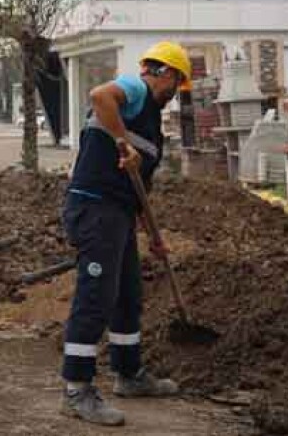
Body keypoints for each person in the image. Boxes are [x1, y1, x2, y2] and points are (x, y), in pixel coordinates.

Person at [60, 41, 192, 426]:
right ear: (164, 73)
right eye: (177, 83)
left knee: (128, 295)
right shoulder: (134, 91)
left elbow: (141, 194)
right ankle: (76, 388)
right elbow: (100, 95)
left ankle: (128, 374)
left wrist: (154, 235)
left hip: (119, 213)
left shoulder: (152, 127)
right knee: (95, 297)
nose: (173, 94)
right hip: (94, 206)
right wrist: (121, 142)